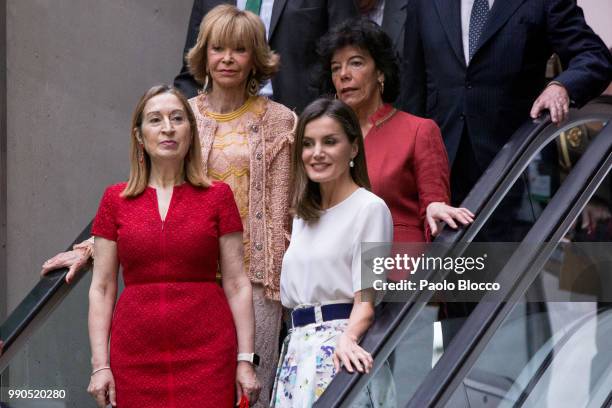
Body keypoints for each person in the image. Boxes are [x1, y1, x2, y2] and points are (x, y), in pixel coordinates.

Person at [44, 6, 295, 407]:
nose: (228, 58)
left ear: (256, 59)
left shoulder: (282, 121)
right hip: (174, 281)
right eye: (218, 48)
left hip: (252, 280)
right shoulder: (183, 112)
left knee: (249, 396)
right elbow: (141, 202)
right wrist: (91, 246)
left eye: (240, 49)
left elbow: (288, 204)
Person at [315, 18, 474, 403]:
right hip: (338, 283)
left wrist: (436, 205)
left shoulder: (418, 129)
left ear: (381, 72)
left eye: (355, 63)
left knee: (405, 393)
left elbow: (434, 199)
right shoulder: (327, 140)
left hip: (399, 283)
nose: (344, 76)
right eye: (336, 68)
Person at [86, 85, 259, 407]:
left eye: (177, 118)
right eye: (155, 120)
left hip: (208, 352)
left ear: (191, 132)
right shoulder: (115, 200)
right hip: (134, 353)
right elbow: (102, 287)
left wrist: (245, 359)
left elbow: (237, 283)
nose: (167, 128)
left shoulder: (218, 197)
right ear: (139, 136)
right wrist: (100, 365)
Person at [401, 0, 612, 208]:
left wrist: (561, 86)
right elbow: (413, 85)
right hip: (440, 172)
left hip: (515, 173)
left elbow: (594, 56)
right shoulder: (424, 3)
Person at [271, 98, 396, 407]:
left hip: (340, 350)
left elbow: (366, 300)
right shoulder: (302, 216)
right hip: (297, 352)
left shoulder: (370, 209)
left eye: (330, 142)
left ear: (353, 148)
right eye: (308, 144)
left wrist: (349, 339)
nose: (317, 153)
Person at [174, 0, 358, 112]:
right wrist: (186, 116)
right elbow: (191, 72)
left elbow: (348, 53)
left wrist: (325, 118)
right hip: (219, 120)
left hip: (302, 120)